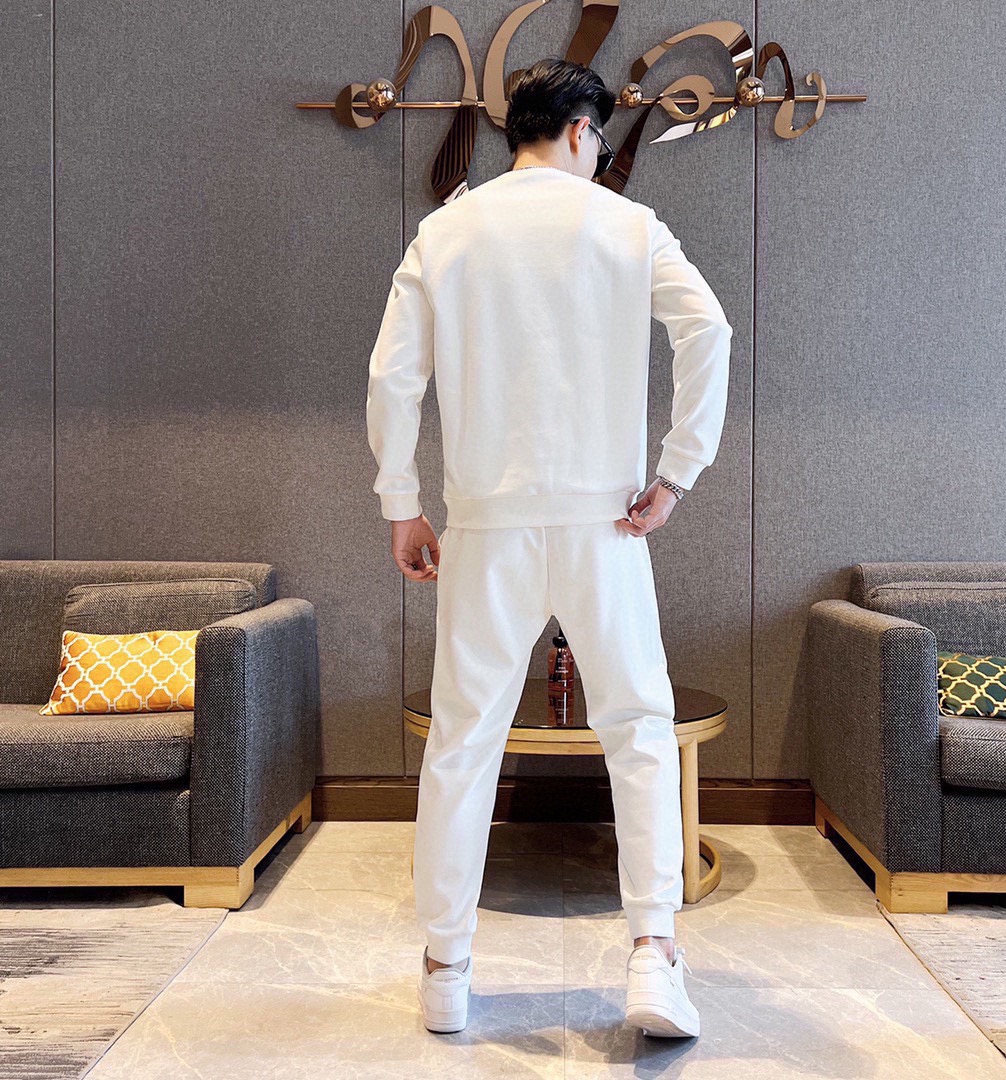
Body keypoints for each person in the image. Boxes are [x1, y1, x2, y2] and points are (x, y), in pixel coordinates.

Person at [365, 56, 732, 1039]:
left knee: (462, 742)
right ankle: (653, 953)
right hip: (606, 520)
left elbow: (393, 376)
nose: (599, 153)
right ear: (579, 130)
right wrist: (676, 472)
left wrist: (402, 501)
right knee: (639, 732)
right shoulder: (629, 226)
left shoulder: (447, 231)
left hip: (485, 523)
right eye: (599, 139)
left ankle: (446, 970)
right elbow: (708, 331)